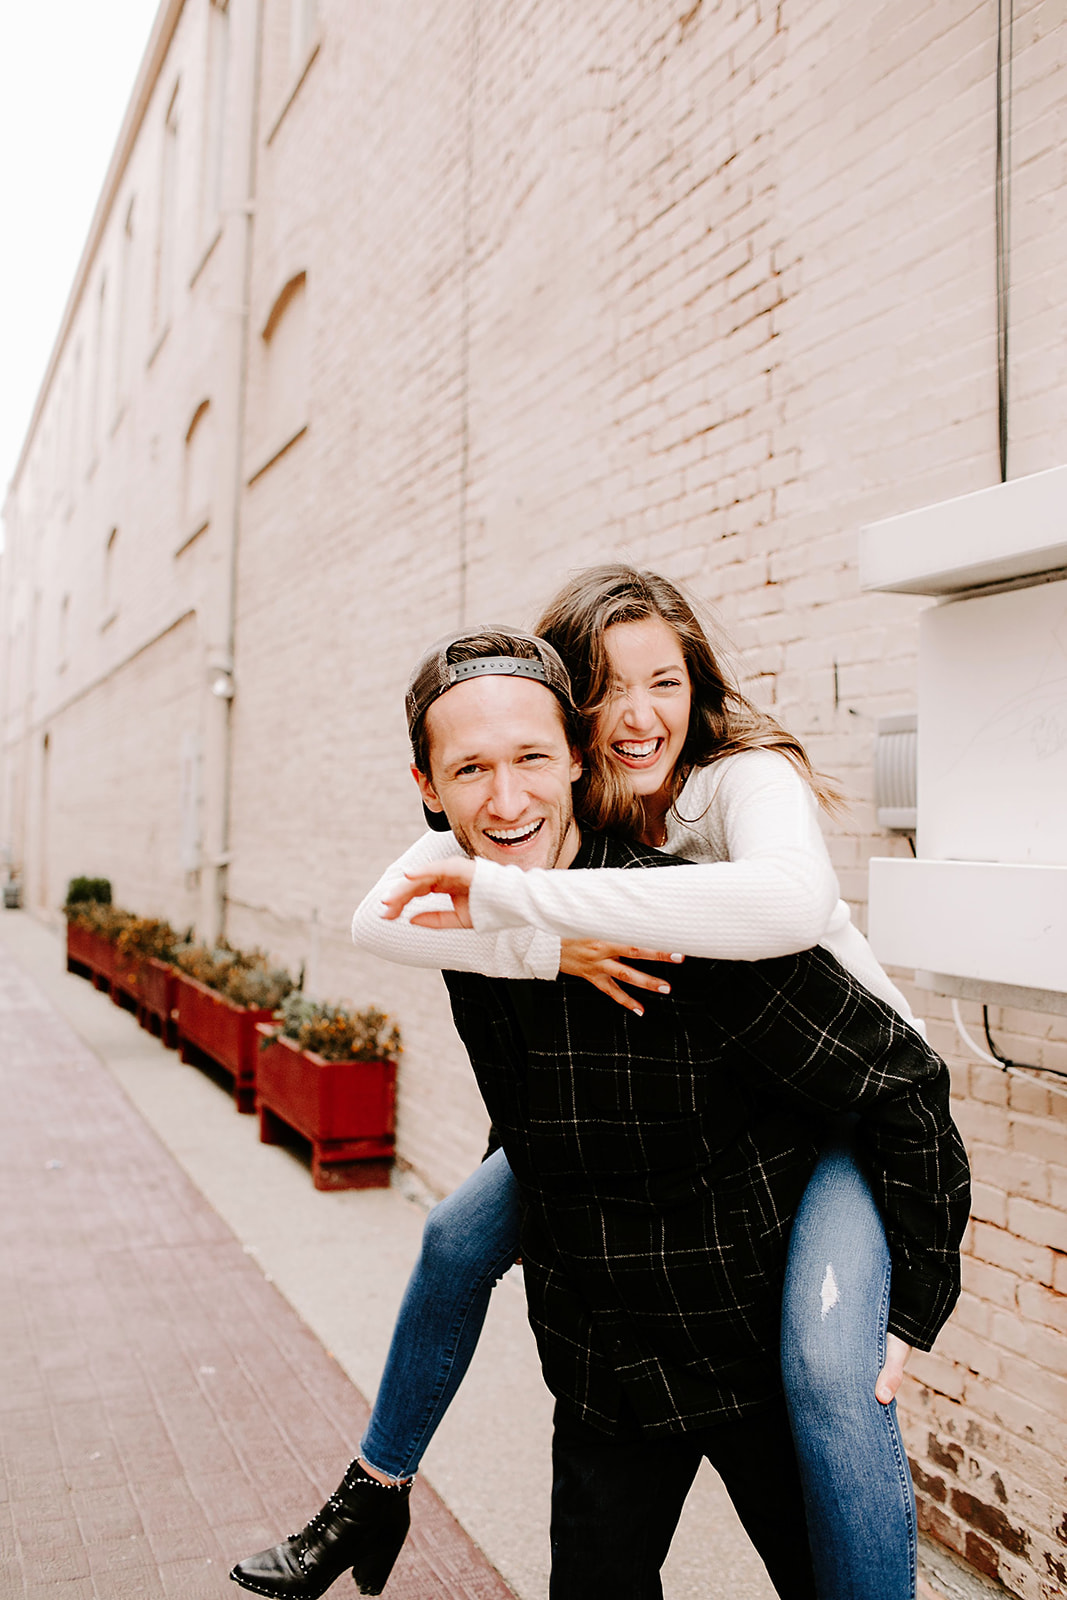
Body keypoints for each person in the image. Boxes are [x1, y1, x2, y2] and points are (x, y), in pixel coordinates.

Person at [232, 619, 970, 1600]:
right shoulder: (468, 935)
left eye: (532, 756)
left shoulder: (700, 920)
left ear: (577, 758)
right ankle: (373, 1490)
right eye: (469, 770)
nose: (505, 801)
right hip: (605, 1371)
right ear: (425, 789)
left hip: (750, 1352)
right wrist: (536, 942)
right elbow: (524, 1129)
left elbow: (905, 1087)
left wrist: (913, 1299)